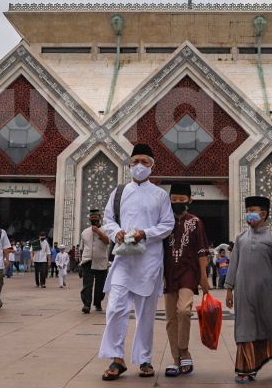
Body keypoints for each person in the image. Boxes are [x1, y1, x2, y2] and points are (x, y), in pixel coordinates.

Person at [98, 143, 174, 381]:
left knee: (146, 313)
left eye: (145, 162)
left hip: (149, 261)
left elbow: (167, 225)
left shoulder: (160, 195)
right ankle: (116, 359)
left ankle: (144, 359)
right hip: (123, 259)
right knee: (115, 308)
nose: (139, 166)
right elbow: (108, 219)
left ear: (153, 166)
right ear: (129, 165)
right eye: (135, 162)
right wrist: (116, 232)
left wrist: (145, 233)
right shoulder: (119, 192)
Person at [225, 195, 272, 384]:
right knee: (245, 328)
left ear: (263, 214)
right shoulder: (240, 239)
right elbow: (234, 264)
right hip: (243, 292)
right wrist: (229, 289)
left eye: (253, 211)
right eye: (247, 211)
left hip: (266, 291)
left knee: (271, 327)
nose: (249, 215)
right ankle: (247, 368)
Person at [161, 182, 211, 378]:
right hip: (168, 273)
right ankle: (175, 359)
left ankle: (184, 350)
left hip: (189, 273)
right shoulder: (164, 222)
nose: (178, 203)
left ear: (190, 200)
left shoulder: (196, 222)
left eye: (182, 200)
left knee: (183, 310)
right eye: (174, 200)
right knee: (171, 318)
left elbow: (201, 251)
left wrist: (204, 277)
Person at [79, 208, 110, 314]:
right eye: (92, 218)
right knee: (87, 284)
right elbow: (82, 248)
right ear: (89, 219)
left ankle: (98, 303)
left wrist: (98, 231)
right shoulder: (85, 232)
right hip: (87, 261)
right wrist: (80, 263)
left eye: (96, 217)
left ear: (99, 218)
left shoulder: (106, 230)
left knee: (100, 285)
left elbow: (107, 241)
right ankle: (86, 305)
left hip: (101, 261)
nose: (94, 219)